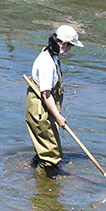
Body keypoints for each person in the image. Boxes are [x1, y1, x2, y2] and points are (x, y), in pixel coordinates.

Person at [26, 23, 83, 171]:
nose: (71, 49)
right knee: (52, 154)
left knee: (46, 146)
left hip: (48, 109)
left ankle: (31, 168)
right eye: (71, 46)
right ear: (64, 43)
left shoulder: (52, 55)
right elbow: (46, 94)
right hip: (41, 110)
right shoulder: (47, 63)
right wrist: (58, 117)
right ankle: (46, 188)